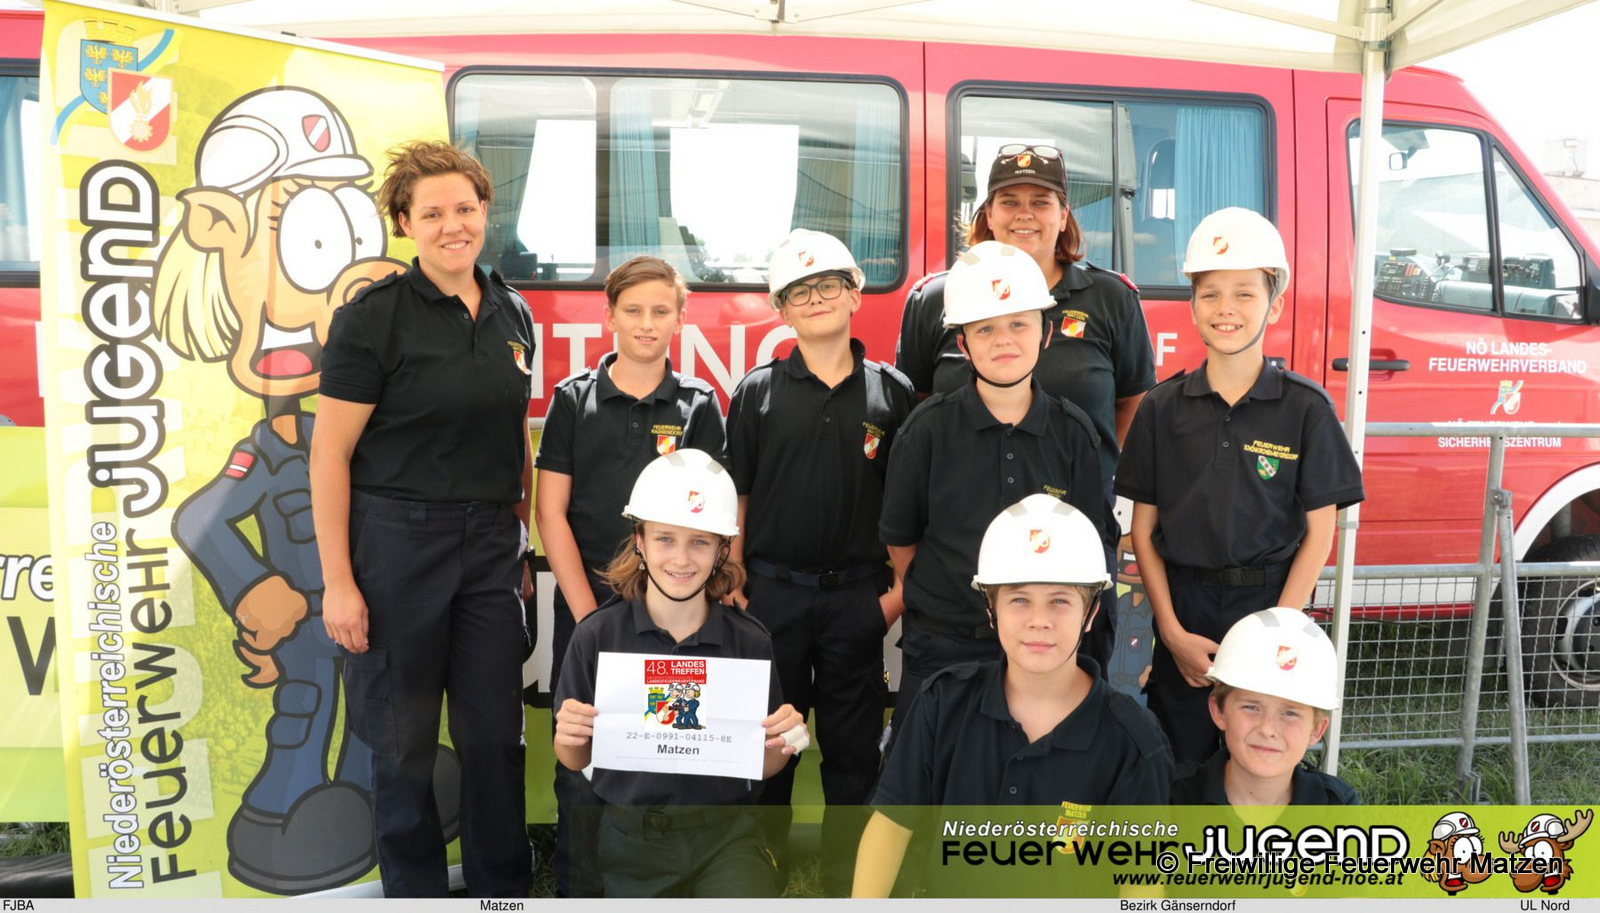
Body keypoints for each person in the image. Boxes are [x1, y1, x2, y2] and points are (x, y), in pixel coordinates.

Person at [311, 140, 534, 898]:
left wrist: (520, 540)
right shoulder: (372, 319)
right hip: (396, 546)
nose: (452, 226)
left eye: (465, 209)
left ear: (485, 212)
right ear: (404, 223)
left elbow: (516, 439)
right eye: (432, 213)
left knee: (495, 739)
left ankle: (501, 892)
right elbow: (329, 455)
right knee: (402, 745)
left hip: (491, 548)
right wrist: (339, 583)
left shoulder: (512, 312)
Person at [1115, 207, 1365, 766]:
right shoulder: (1161, 408)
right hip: (1186, 609)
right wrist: (1172, 633)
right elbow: (1143, 531)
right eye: (1210, 294)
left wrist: (1279, 632)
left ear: (1274, 305)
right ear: (1192, 306)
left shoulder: (1306, 409)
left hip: (1270, 603)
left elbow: (1320, 533)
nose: (1225, 308)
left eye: (1245, 294)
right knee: (1181, 763)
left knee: (1260, 762)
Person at [895, 143, 1157, 668]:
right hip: (959, 563)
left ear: (1063, 214)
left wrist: (1088, 464)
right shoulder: (935, 299)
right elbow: (919, 404)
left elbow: (1133, 403)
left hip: (1072, 544)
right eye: (1009, 201)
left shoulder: (1110, 298)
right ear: (987, 214)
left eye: (1041, 201)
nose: (1024, 215)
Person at [724, 228, 917, 895]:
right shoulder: (757, 392)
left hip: (857, 600)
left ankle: (846, 883)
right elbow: (739, 494)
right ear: (781, 310)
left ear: (855, 293)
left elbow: (909, 507)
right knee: (768, 750)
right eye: (799, 292)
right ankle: (757, 876)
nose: (816, 299)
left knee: (853, 755)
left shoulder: (893, 393)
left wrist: (892, 599)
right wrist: (735, 579)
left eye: (828, 285)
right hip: (770, 599)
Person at [855, 494, 1173, 897]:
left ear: (1091, 613)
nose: (1039, 620)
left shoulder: (1134, 740)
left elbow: (1141, 885)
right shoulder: (942, 702)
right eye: (1019, 599)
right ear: (991, 609)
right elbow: (891, 825)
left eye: (1060, 601)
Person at [535, 255, 725, 896]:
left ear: (679, 318)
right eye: (633, 310)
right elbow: (551, 513)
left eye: (660, 311)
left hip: (673, 618)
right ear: (609, 315)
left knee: (666, 748)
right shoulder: (573, 399)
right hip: (588, 611)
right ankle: (581, 891)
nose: (647, 323)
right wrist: (589, 617)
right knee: (581, 757)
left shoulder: (699, 405)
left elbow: (713, 520)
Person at [552, 449, 810, 897]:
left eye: (700, 542)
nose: (682, 559)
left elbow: (763, 764)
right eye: (665, 539)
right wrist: (569, 736)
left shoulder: (750, 642)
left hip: (727, 838)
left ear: (722, 549)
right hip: (630, 839)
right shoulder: (597, 635)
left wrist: (784, 741)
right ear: (639, 540)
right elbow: (574, 759)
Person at [879, 240, 1110, 710]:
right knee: (927, 758)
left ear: (1046, 334)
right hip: (943, 647)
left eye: (1019, 324)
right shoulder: (926, 432)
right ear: (963, 345)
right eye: (985, 328)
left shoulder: (1074, 434)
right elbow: (902, 542)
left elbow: (1092, 544)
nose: (1004, 340)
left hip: (1043, 651)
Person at [1170, 606, 1358, 805]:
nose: (1267, 729)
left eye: (1290, 713)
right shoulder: (1170, 799)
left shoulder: (1338, 807)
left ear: (1317, 729)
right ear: (1219, 711)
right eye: (1251, 707)